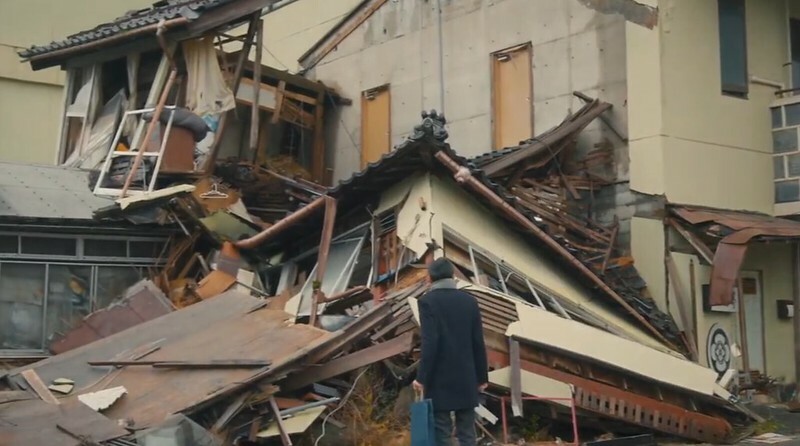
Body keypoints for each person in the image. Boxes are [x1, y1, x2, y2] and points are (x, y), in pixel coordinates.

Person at [413, 258, 489, 446]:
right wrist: (482, 377)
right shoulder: (469, 301)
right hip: (466, 376)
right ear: (452, 276)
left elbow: (430, 343)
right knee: (467, 432)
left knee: (442, 432)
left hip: (440, 378)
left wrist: (422, 378)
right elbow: (478, 342)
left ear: (431, 277)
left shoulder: (427, 302)